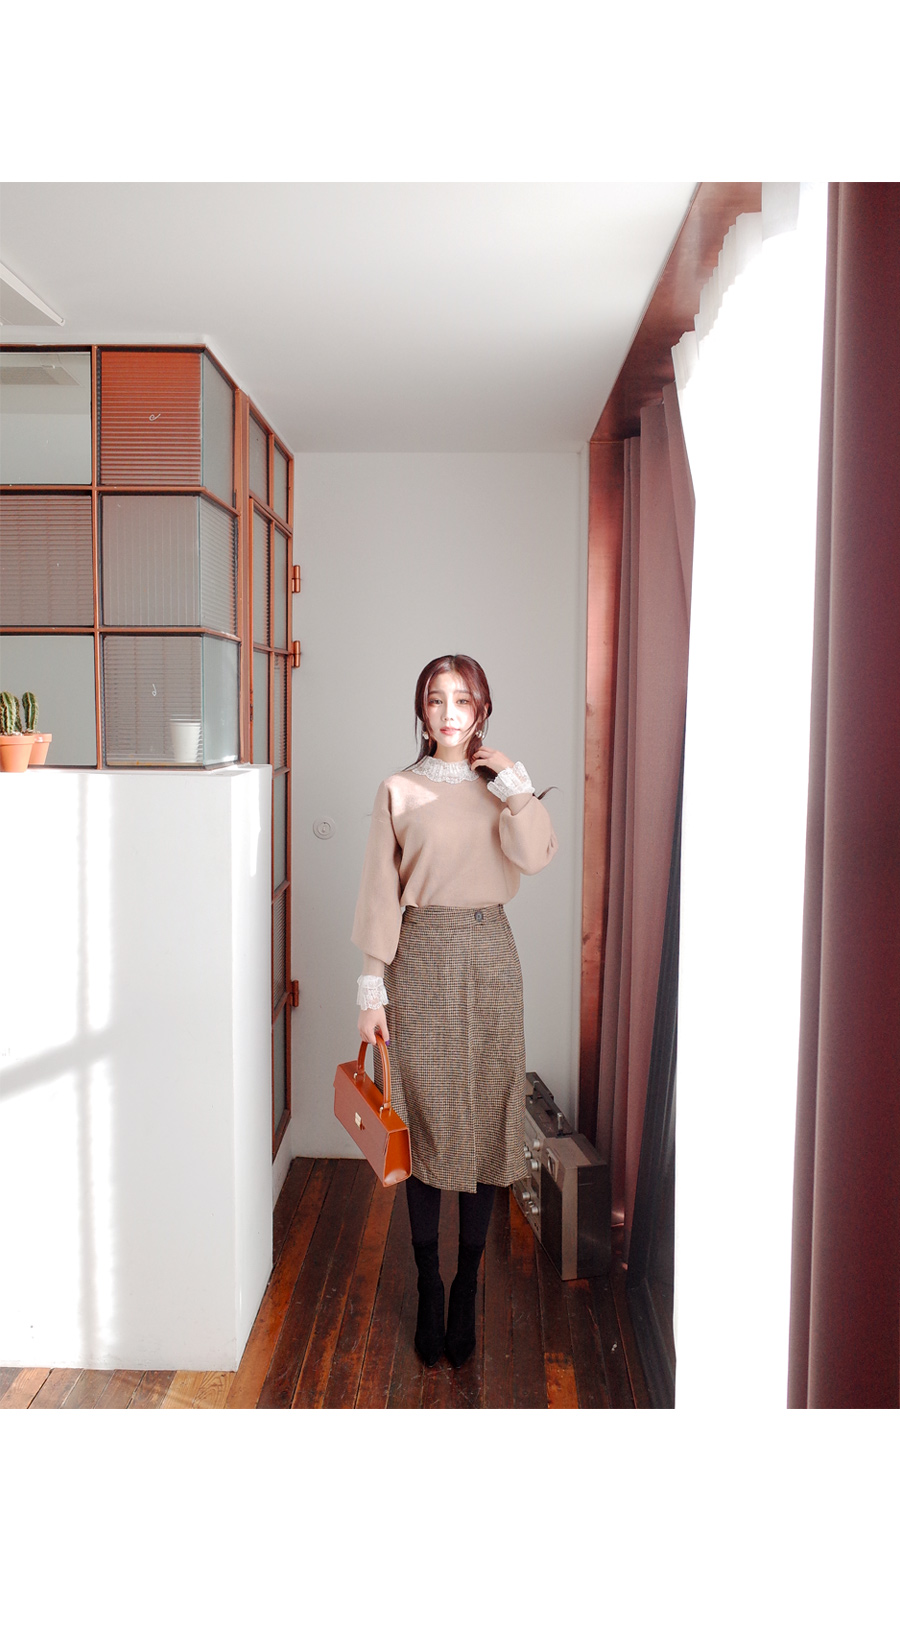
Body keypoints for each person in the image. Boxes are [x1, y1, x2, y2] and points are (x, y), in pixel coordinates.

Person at [352, 653, 558, 1368]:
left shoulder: (501, 788)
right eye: (436, 699)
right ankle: (429, 1285)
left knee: (486, 1118)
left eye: (462, 700)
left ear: (481, 711)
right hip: (420, 960)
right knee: (424, 1123)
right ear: (422, 710)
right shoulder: (398, 789)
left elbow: (536, 857)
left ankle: (468, 1283)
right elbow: (380, 891)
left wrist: (518, 790)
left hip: (491, 959)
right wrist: (370, 987)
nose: (448, 713)